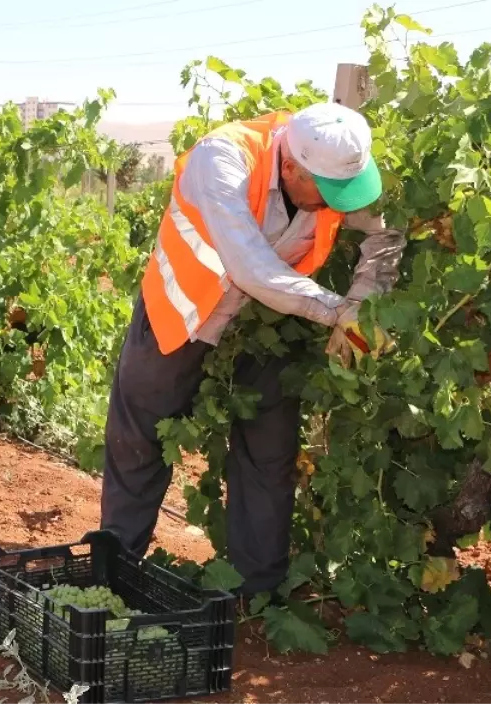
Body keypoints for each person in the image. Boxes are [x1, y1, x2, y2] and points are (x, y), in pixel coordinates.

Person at [100, 102, 403, 598]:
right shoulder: (221, 160)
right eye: (326, 194)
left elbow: (383, 235)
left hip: (270, 322)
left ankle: (255, 595)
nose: (337, 206)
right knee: (139, 442)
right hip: (183, 311)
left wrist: (364, 304)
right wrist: (336, 312)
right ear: (289, 168)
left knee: (270, 451)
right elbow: (251, 267)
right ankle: (111, 581)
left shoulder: (331, 167)